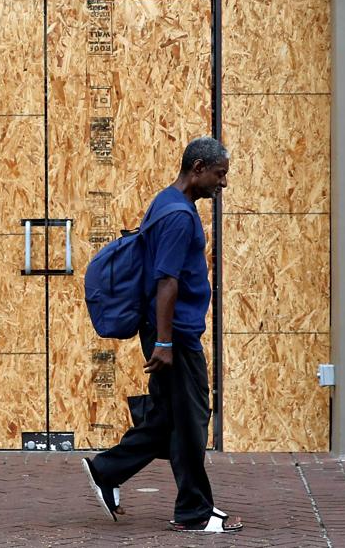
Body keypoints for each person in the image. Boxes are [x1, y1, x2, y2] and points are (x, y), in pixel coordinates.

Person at [80, 137, 242, 533]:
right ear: (198, 167)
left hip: (170, 332)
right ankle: (194, 512)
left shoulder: (167, 202)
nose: (222, 184)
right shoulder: (178, 216)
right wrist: (166, 342)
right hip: (176, 336)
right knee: (191, 421)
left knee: (169, 419)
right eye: (219, 175)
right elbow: (166, 281)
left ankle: (106, 470)